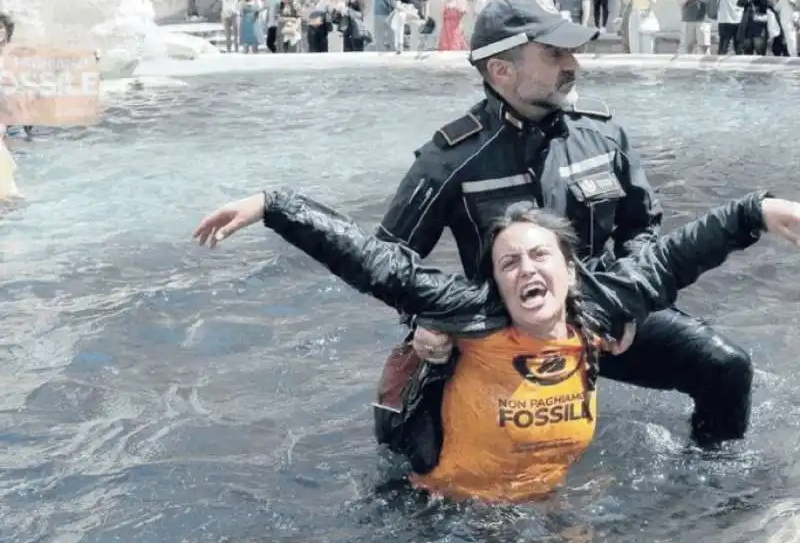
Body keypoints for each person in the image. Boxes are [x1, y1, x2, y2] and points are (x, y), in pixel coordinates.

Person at [193, 189, 800, 502]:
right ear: (495, 282)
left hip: (544, 507)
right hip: (443, 514)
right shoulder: (474, 316)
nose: (525, 269)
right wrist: (272, 206)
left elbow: (680, 253)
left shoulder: (601, 307)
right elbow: (374, 262)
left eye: (540, 255)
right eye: (508, 263)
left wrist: (757, 211)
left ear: (569, 267)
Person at [370, 0, 754, 465]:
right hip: (497, 332)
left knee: (726, 367)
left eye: (571, 51)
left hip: (602, 316)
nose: (574, 64)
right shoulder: (449, 159)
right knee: (413, 448)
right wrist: (426, 321)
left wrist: (628, 306)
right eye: (554, 53)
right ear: (501, 70)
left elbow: (641, 228)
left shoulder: (603, 135)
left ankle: (711, 488)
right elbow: (386, 261)